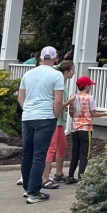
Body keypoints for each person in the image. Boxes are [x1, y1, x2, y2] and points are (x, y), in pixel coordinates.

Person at [17, 46, 65, 204]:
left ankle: (27, 188)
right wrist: (55, 115)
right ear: (55, 58)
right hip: (45, 117)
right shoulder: (56, 75)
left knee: (27, 154)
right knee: (39, 155)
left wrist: (28, 110)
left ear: (40, 58)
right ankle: (34, 192)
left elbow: (20, 98)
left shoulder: (28, 74)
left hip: (28, 117)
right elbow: (58, 100)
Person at [64, 76, 107, 183]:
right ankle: (82, 177)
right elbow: (93, 113)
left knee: (75, 152)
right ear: (86, 86)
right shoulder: (90, 97)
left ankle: (70, 176)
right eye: (90, 85)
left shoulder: (73, 97)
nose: (90, 87)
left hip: (75, 128)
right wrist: (106, 113)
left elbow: (71, 114)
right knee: (84, 153)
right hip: (86, 127)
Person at [41, 60, 76, 190]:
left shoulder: (64, 83)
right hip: (53, 118)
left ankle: (59, 173)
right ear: (66, 72)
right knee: (51, 147)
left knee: (62, 146)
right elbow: (58, 104)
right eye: (73, 70)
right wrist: (70, 101)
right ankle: (45, 178)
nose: (74, 73)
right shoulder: (58, 82)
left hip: (60, 120)